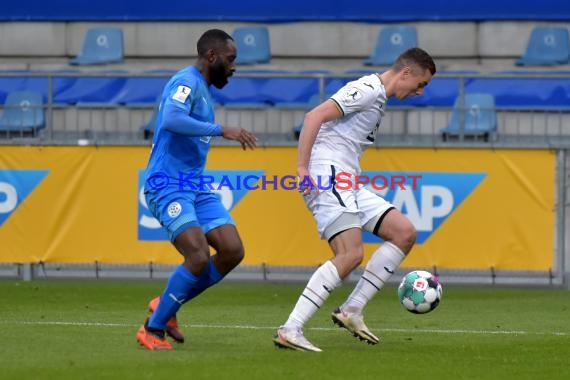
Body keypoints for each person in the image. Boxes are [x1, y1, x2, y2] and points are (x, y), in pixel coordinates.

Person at [272, 48, 436, 352]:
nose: (419, 92)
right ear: (405, 73)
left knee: (403, 232)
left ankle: (352, 310)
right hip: (328, 173)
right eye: (419, 84)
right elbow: (314, 116)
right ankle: (290, 328)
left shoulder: (379, 96)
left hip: (347, 178)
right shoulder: (367, 90)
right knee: (350, 254)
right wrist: (302, 169)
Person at [136, 29, 257, 351]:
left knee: (232, 250)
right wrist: (222, 130)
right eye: (230, 60)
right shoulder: (186, 82)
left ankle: (165, 304)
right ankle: (153, 328)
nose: (234, 68)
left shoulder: (202, 88)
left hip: (194, 185)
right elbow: (171, 120)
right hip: (167, 184)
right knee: (198, 255)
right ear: (212, 57)